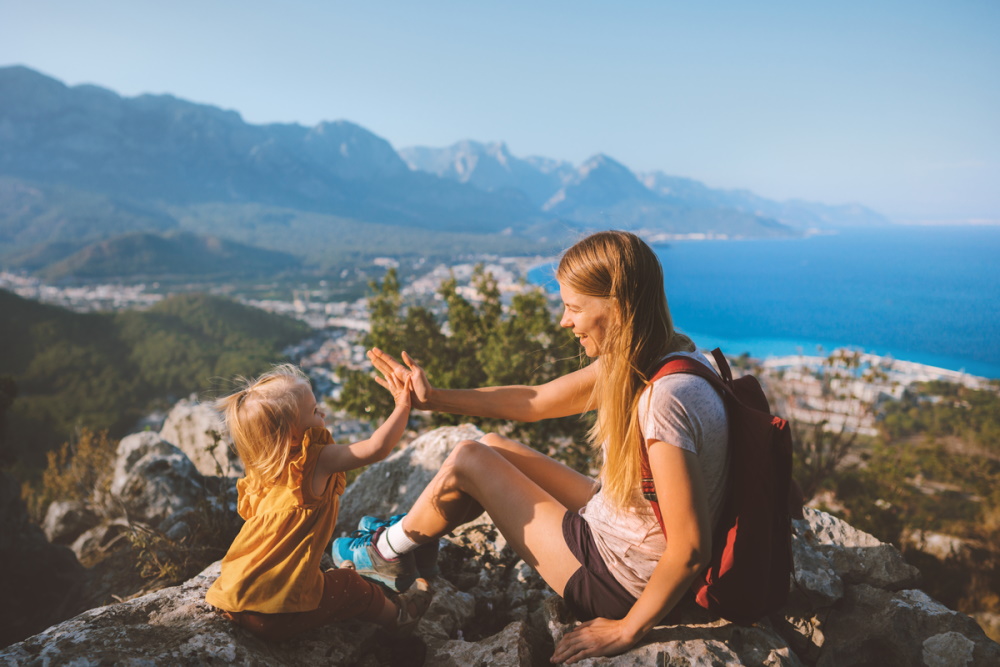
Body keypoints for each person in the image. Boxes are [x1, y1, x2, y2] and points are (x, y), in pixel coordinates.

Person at [334, 230, 730, 663]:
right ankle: (414, 541)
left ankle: (385, 551)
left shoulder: (663, 400)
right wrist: (435, 398)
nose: (565, 321)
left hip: (617, 578)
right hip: (622, 522)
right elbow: (535, 401)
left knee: (469, 459)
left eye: (574, 308)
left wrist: (626, 629)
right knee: (490, 446)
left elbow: (691, 547)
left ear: (618, 306)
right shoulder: (667, 357)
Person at [205, 363, 431, 642]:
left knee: (325, 577)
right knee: (353, 587)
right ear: (293, 436)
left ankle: (325, 582)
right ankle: (399, 616)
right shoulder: (316, 460)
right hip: (276, 614)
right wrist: (402, 406)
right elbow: (377, 447)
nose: (322, 413)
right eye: (314, 412)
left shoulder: (262, 474)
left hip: (236, 597)